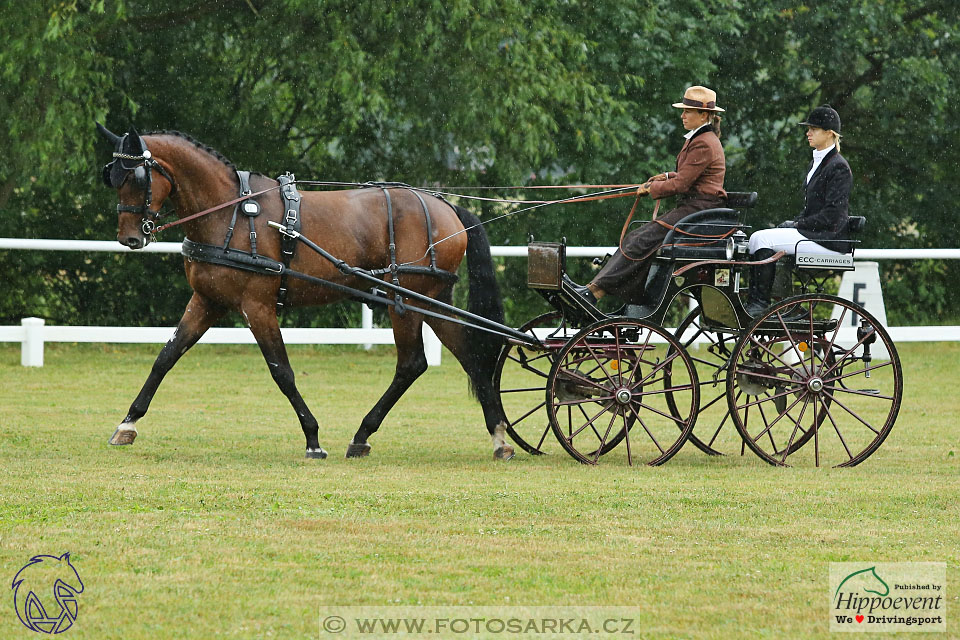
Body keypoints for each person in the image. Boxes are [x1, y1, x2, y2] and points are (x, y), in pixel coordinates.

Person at [570, 85, 727, 306]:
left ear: (703, 115)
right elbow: (691, 174)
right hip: (694, 208)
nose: (682, 116)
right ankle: (598, 288)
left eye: (687, 111)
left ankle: (596, 292)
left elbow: (682, 184)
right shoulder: (701, 138)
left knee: (640, 239)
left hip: (698, 211)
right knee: (638, 238)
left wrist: (651, 189)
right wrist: (664, 176)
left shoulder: (703, 142)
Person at [743, 104, 852, 316]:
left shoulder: (838, 167)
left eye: (814, 129)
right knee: (756, 238)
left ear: (829, 134)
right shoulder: (818, 162)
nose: (808, 132)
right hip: (814, 233)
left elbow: (832, 215)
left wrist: (797, 224)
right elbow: (811, 209)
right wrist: (796, 221)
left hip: (828, 239)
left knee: (761, 239)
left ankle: (760, 304)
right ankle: (757, 300)